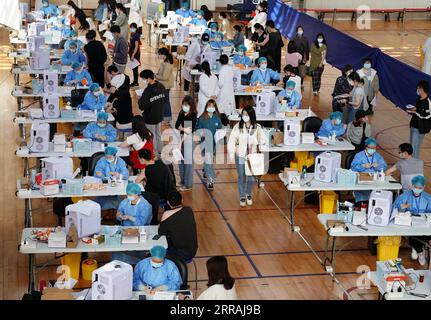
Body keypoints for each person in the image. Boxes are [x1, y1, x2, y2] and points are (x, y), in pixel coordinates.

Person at [227, 106, 266, 207]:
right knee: (241, 176)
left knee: (251, 177)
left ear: (251, 115)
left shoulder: (257, 127)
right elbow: (231, 140)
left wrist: (258, 143)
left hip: (252, 156)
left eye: (247, 115)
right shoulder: (238, 126)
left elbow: (263, 139)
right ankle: (242, 196)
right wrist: (231, 153)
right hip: (240, 155)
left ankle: (248, 194)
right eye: (243, 114)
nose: (245, 116)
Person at [392, 176, 431, 266]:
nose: (417, 190)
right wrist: (401, 207)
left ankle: (417, 248)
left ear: (424, 187)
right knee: (413, 236)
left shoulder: (428, 198)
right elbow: (395, 207)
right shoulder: (405, 196)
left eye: (420, 188)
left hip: (423, 223)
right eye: (416, 187)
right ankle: (420, 252)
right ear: (412, 186)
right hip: (409, 223)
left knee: (425, 235)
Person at [159, 191, 198, 261]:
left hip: (180, 253)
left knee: (157, 249)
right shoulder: (189, 210)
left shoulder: (167, 214)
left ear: (168, 202)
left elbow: (161, 232)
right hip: (193, 250)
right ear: (182, 200)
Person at [138, 69, 166, 157]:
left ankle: (154, 153)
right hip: (160, 115)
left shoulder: (148, 91)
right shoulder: (161, 86)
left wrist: (140, 99)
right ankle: (161, 150)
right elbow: (164, 100)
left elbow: (142, 106)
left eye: (144, 78)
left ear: (149, 78)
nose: (144, 81)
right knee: (158, 134)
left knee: (151, 136)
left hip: (150, 117)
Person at [350, 138, 387, 203]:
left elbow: (384, 166)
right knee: (364, 199)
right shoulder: (359, 156)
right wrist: (363, 166)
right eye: (370, 148)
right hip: (362, 180)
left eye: (374, 148)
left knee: (378, 196)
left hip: (375, 180)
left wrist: (378, 166)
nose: (372, 149)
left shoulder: (377, 155)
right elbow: (353, 167)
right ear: (366, 147)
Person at [196, 99, 222, 190]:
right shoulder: (202, 118)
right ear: (206, 107)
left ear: (215, 108)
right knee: (209, 162)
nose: (211, 108)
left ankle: (205, 171)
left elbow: (220, 130)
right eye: (209, 106)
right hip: (205, 143)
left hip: (214, 144)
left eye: (212, 106)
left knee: (208, 161)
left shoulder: (217, 118)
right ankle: (210, 181)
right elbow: (198, 130)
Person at [175, 96, 198, 192]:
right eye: (183, 104)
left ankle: (188, 184)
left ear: (191, 106)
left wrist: (180, 143)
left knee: (188, 163)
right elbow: (177, 125)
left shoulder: (192, 115)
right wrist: (183, 129)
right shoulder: (181, 113)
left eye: (186, 105)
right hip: (182, 137)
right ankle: (183, 180)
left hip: (188, 139)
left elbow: (188, 132)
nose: (184, 106)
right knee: (181, 161)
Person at [105, 65, 133, 131]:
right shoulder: (126, 76)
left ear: (112, 72)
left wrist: (104, 90)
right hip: (127, 100)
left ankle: (117, 132)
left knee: (118, 118)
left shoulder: (115, 78)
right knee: (127, 117)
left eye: (110, 74)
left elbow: (112, 90)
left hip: (119, 101)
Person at [407, 80, 431, 159]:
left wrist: (414, 112)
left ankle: (415, 168)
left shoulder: (428, 102)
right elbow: (418, 109)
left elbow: (427, 116)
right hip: (414, 125)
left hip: (420, 129)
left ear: (422, 89)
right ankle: (411, 165)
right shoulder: (419, 99)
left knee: (415, 149)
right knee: (411, 147)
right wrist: (413, 109)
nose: (417, 90)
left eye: (418, 88)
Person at [156, 48, 175, 123]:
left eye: (159, 54)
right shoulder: (164, 62)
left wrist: (155, 76)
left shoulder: (167, 64)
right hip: (164, 84)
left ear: (163, 55)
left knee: (165, 101)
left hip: (166, 85)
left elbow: (165, 77)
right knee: (164, 100)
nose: (159, 55)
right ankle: (165, 115)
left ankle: (167, 116)